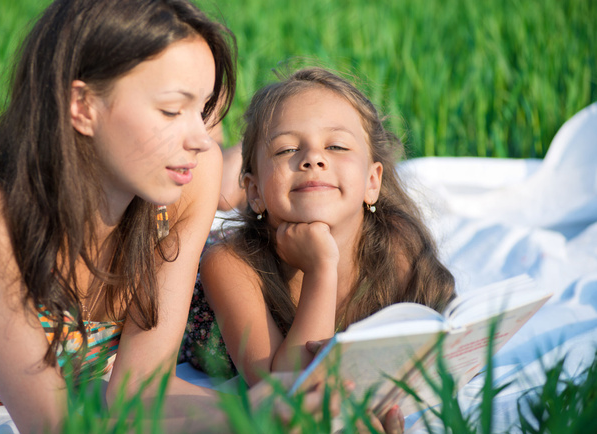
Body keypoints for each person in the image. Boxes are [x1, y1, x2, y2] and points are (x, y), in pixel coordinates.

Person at [0, 0, 394, 434]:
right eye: (172, 110)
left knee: (213, 176)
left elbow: (138, 393)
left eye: (202, 112)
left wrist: (310, 412)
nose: (199, 139)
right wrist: (260, 415)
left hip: (93, 175)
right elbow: (52, 423)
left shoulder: (188, 186)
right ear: (82, 105)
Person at [182, 67, 456, 387]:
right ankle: (221, 150)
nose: (313, 158)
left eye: (336, 146)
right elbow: (283, 387)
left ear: (372, 181)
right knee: (209, 185)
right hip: (230, 240)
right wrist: (321, 270)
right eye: (287, 149)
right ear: (254, 193)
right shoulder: (229, 263)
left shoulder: (394, 245)